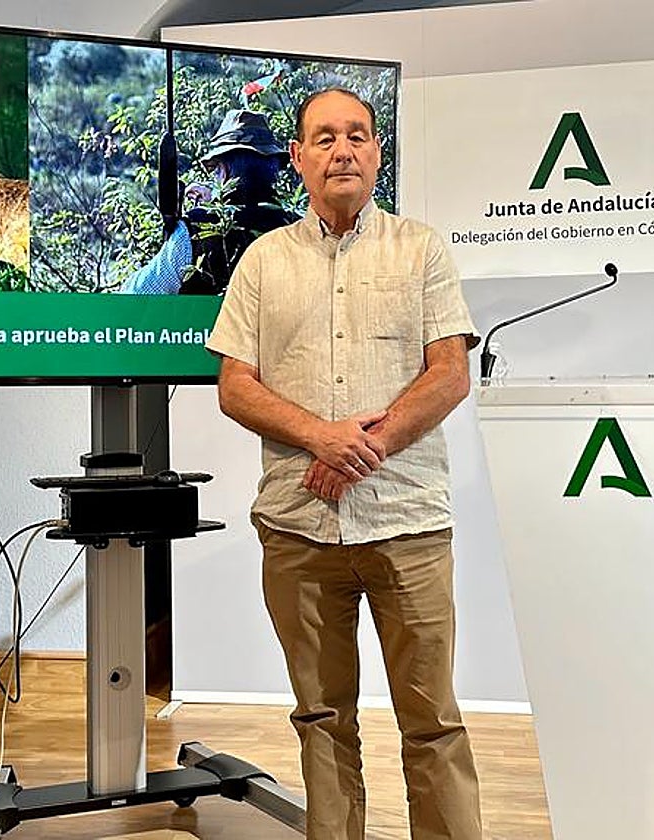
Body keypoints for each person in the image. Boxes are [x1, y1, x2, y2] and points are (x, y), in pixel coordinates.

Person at [207, 88, 482, 840]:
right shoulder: (263, 261)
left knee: (433, 723)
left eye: (357, 135)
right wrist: (320, 437)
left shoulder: (421, 248)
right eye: (324, 137)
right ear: (297, 159)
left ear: (378, 153)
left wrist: (363, 447)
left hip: (407, 523)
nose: (343, 150)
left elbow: (450, 373)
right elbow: (235, 385)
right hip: (298, 530)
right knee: (323, 721)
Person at [120, 109, 298, 295]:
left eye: (215, 171)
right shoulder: (296, 227)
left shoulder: (195, 231)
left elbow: (137, 295)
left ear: (224, 171)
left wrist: (202, 216)